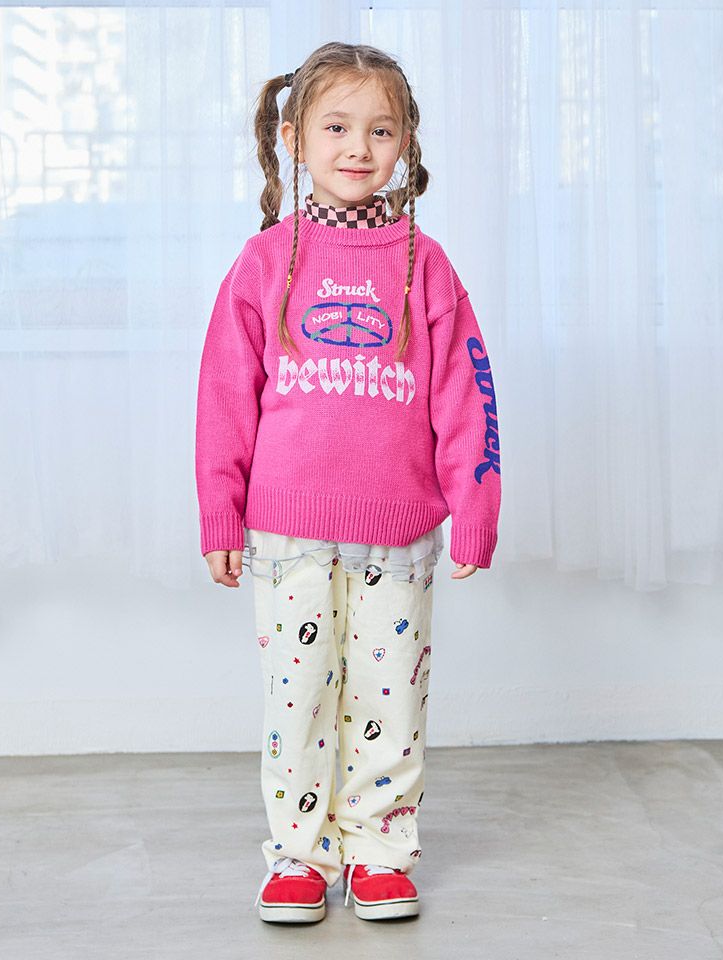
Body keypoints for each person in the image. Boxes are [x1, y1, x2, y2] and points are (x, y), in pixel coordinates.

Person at [194, 41, 501, 924]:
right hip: (285, 529)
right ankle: (298, 856)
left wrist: (476, 506)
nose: (358, 147)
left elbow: (467, 393)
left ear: (406, 143)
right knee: (299, 701)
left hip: (398, 531)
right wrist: (220, 511)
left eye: (380, 129)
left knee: (387, 696)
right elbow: (223, 396)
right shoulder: (265, 262)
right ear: (294, 138)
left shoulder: (426, 264)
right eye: (336, 127)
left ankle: (380, 851)